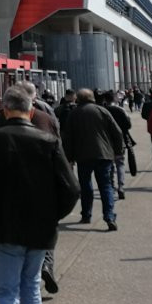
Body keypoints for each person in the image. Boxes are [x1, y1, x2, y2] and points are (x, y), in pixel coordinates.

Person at [0, 86, 80, 304]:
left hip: (3, 224)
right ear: (30, 110)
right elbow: (72, 188)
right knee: (31, 287)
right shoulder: (49, 141)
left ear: (5, 110)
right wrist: (54, 214)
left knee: (7, 292)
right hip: (41, 226)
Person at [0, 81, 61, 294]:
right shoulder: (47, 115)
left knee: (13, 241)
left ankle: (18, 281)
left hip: (10, 186)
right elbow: (58, 141)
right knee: (43, 232)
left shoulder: (2, 119)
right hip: (42, 185)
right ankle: (45, 266)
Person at [61, 88, 124, 231]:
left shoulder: (74, 113)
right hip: (104, 154)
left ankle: (86, 214)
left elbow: (68, 137)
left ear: (78, 99)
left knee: (85, 185)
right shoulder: (102, 111)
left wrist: (69, 158)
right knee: (106, 186)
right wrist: (118, 151)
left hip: (83, 155)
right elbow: (117, 132)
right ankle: (109, 216)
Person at [100, 90, 132, 200]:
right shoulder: (120, 110)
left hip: (106, 142)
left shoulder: (101, 111)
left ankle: (111, 186)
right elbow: (128, 125)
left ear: (104, 99)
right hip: (120, 140)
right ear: (114, 98)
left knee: (109, 165)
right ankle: (121, 187)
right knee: (120, 164)